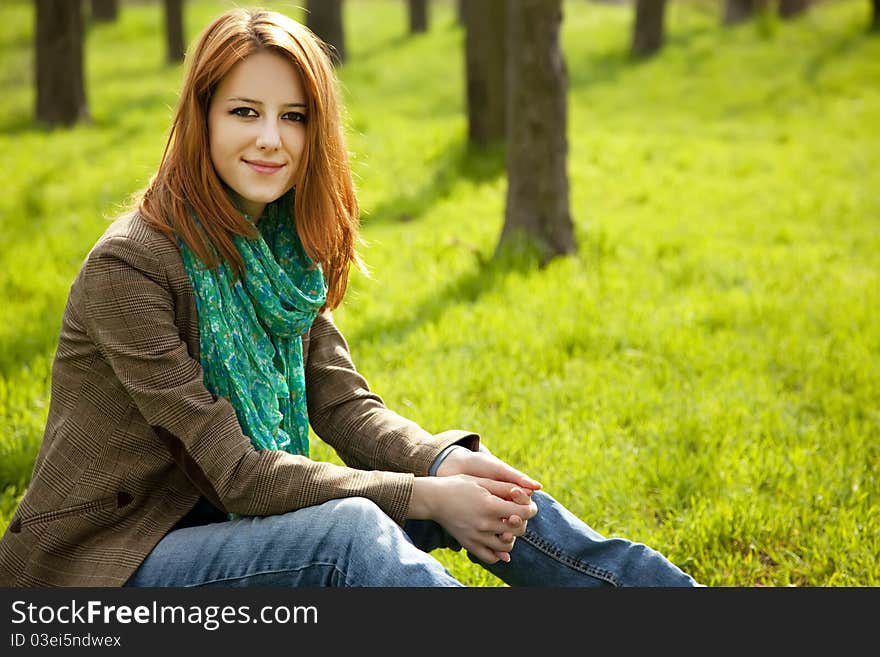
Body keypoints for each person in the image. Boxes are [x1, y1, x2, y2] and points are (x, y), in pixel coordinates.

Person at [0, 7, 700, 588]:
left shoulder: (281, 246)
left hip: (216, 524)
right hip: (101, 569)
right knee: (349, 534)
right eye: (246, 111)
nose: (271, 139)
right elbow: (239, 475)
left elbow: (342, 404)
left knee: (486, 488)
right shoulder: (132, 266)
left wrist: (440, 462)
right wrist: (426, 497)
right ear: (203, 116)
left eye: (294, 117)